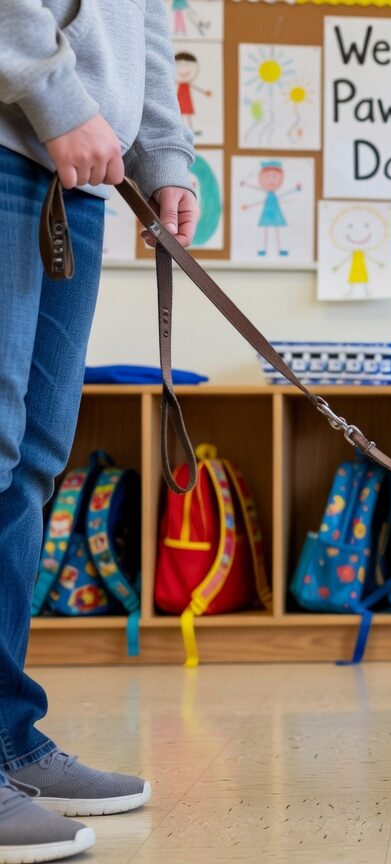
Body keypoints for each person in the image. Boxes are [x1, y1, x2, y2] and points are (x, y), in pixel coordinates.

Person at [1, 0, 196, 859]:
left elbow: (141, 28)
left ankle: (9, 739)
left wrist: (165, 158)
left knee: (33, 462)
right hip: (18, 144)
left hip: (77, 179)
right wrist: (54, 97)